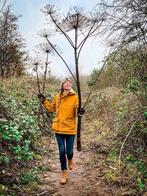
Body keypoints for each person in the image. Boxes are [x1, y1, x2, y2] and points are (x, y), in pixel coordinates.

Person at [38, 78, 85, 185]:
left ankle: (70, 159)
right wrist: (44, 100)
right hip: (58, 128)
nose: (68, 84)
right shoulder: (57, 97)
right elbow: (51, 109)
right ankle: (64, 172)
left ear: (71, 86)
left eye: (70, 83)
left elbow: (78, 110)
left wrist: (80, 111)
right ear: (62, 85)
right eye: (66, 83)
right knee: (61, 151)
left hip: (70, 128)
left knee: (69, 152)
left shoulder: (76, 97)